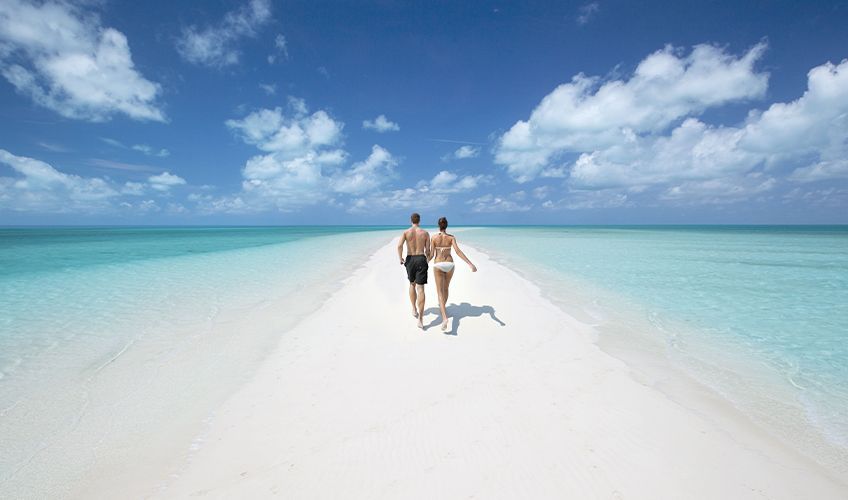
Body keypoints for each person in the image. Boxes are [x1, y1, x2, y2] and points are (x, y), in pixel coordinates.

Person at [429, 217, 476, 331]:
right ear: (446, 226)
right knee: (446, 288)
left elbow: (431, 255)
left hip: (438, 264)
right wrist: (470, 264)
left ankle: (444, 318)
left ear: (438, 225)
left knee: (440, 292)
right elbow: (458, 251)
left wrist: (423, 263)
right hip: (450, 264)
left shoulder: (434, 238)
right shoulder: (451, 238)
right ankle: (443, 308)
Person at [397, 212, 431, 328]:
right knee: (420, 289)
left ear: (411, 221)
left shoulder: (406, 232)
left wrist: (400, 257)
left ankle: (414, 309)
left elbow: (399, 246)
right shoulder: (425, 233)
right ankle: (420, 319)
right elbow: (428, 251)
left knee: (412, 284)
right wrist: (427, 260)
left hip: (410, 258)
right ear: (419, 221)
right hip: (421, 258)